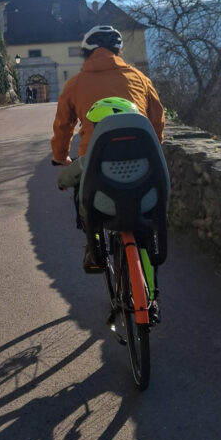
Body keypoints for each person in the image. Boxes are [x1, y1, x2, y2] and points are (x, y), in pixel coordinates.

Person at [50, 24, 165, 268]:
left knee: (83, 196)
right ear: (118, 51)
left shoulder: (75, 84)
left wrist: (60, 156)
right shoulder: (139, 78)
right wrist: (154, 149)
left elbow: (63, 126)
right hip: (142, 163)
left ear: (86, 52)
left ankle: (94, 246)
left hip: (95, 164)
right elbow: (157, 120)